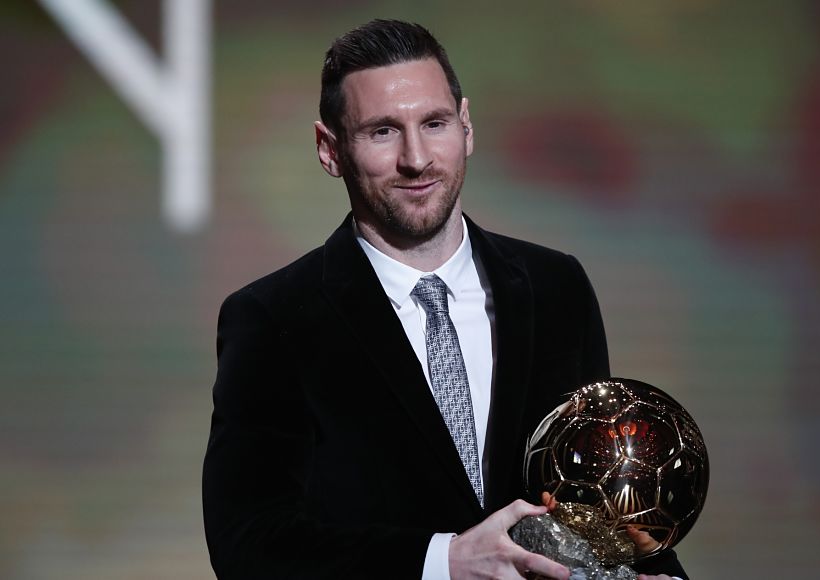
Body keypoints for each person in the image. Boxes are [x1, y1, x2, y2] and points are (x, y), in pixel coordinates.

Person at [202, 19, 688, 580]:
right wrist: (444, 562)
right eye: (382, 132)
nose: (417, 158)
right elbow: (248, 543)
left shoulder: (557, 288)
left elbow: (597, 496)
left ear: (466, 127)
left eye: (434, 124)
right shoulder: (273, 319)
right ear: (329, 149)